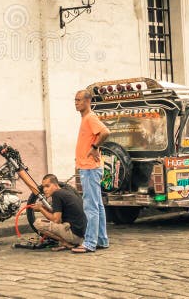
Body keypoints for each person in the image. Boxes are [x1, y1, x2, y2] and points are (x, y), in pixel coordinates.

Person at [72, 88, 110, 254]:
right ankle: (101, 240)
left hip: (90, 168)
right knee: (98, 205)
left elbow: (105, 132)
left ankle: (90, 243)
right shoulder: (86, 118)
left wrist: (95, 147)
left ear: (88, 101)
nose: (76, 103)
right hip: (89, 167)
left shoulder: (90, 118)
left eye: (79, 100)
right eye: (75, 100)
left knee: (90, 206)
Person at [31, 174, 86, 251]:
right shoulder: (65, 191)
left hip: (75, 236)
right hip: (81, 235)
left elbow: (56, 220)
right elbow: (59, 212)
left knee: (38, 223)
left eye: (47, 186)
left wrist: (41, 209)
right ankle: (67, 242)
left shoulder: (56, 194)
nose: (44, 189)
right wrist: (45, 208)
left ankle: (65, 243)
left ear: (55, 185)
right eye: (43, 187)